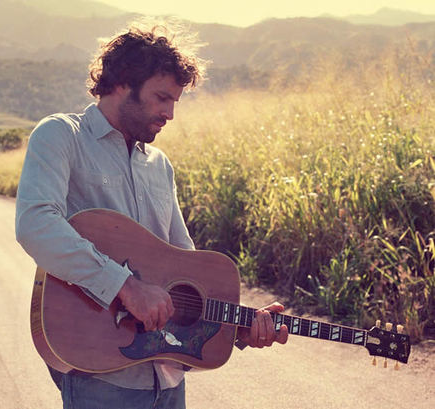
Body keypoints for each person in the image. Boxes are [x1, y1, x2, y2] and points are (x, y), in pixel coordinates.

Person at [15, 21, 288, 409]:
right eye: (162, 98)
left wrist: (241, 328)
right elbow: (35, 224)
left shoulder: (159, 165)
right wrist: (125, 286)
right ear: (123, 82)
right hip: (101, 374)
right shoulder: (61, 136)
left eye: (175, 101)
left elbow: (186, 274)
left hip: (169, 378)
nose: (170, 114)